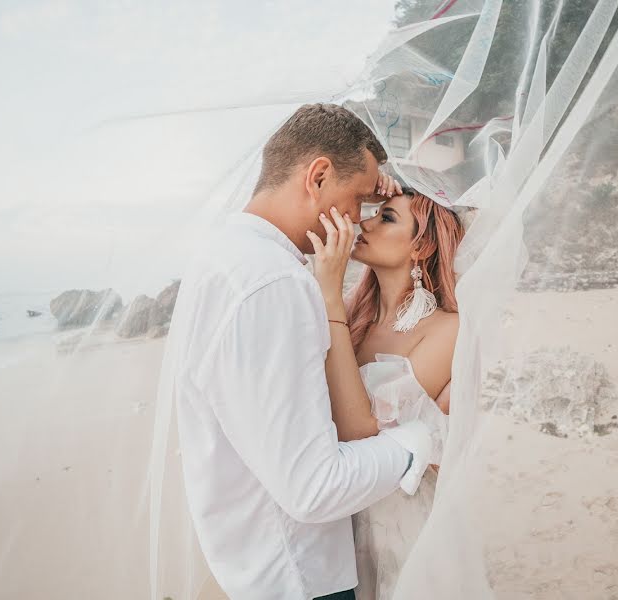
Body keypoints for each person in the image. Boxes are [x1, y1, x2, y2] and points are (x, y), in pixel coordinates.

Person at [173, 103, 435, 600]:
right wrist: (416, 440)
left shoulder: (223, 256)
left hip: (253, 564)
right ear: (317, 175)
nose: (359, 221)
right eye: (359, 199)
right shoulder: (275, 283)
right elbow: (312, 489)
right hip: (300, 577)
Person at [307, 188, 464, 599]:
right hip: (334, 519)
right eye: (373, 213)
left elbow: (361, 429)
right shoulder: (349, 317)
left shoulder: (447, 329)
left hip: (400, 528)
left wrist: (329, 296)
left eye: (388, 218)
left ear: (422, 246)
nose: (366, 222)